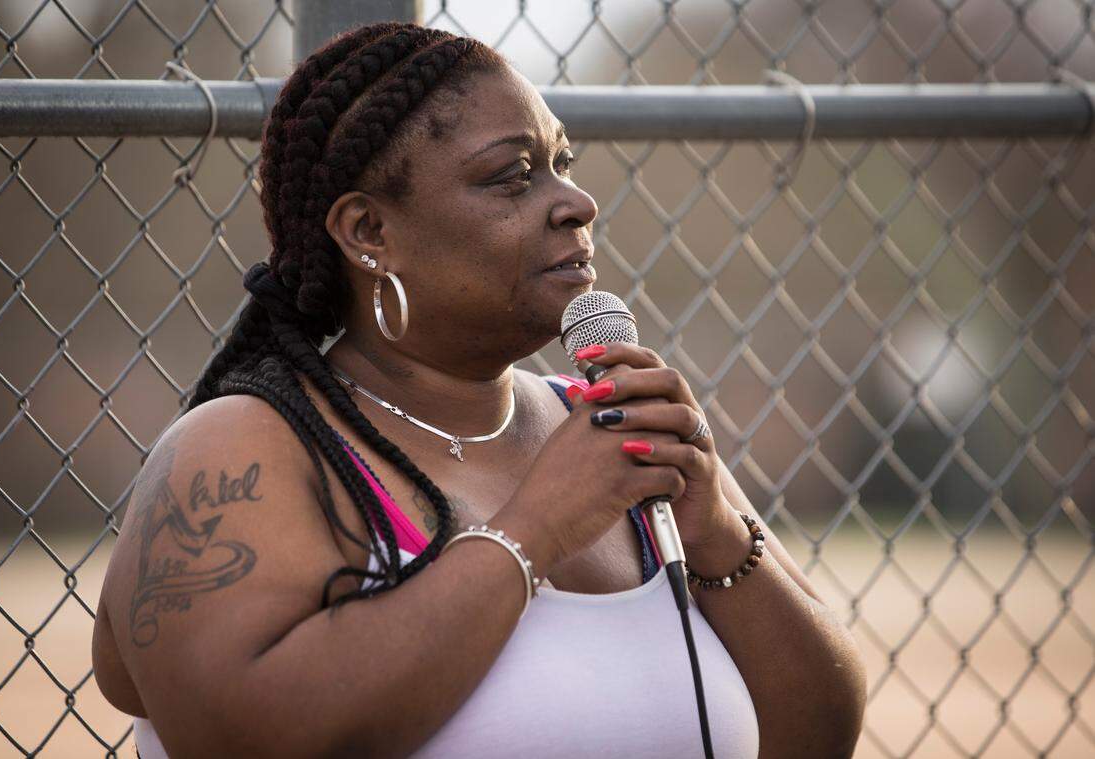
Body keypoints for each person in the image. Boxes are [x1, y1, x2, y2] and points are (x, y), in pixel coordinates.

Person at [90, 21, 866, 758]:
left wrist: (717, 533)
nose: (576, 203)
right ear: (368, 232)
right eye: (512, 176)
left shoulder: (609, 424)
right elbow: (239, 735)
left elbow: (818, 731)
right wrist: (536, 529)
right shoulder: (244, 447)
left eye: (563, 163)